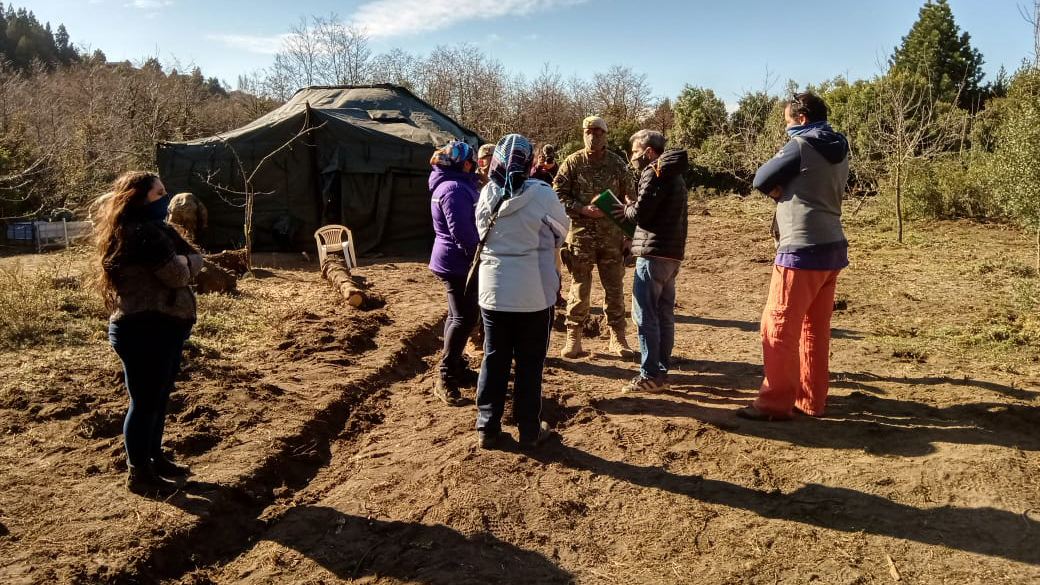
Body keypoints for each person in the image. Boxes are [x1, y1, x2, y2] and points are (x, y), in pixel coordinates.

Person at [738, 92, 850, 421]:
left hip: (800, 250)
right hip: (832, 247)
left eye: (788, 121)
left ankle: (773, 403)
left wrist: (779, 190)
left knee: (777, 327)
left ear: (801, 119)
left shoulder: (801, 145)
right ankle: (811, 401)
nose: (787, 127)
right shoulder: (840, 145)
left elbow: (760, 178)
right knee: (814, 330)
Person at [94, 170, 203, 495]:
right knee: (144, 403)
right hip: (143, 329)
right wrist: (185, 262)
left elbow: (196, 259)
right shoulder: (139, 235)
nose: (166, 199)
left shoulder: (158, 230)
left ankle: (154, 456)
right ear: (139, 198)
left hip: (163, 327)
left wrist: (186, 261)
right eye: (159, 194)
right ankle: (138, 473)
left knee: (158, 397)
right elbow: (177, 275)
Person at [474, 133, 570, 450]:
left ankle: (487, 427)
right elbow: (561, 233)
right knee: (529, 364)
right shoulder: (542, 194)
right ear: (528, 163)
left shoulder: (487, 193)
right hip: (533, 294)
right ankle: (529, 429)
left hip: (492, 293)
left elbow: (480, 233)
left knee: (494, 359)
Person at [554, 116, 636, 359]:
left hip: (612, 238)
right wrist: (581, 208)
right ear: (583, 134)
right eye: (589, 132)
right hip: (581, 238)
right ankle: (574, 337)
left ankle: (618, 338)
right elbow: (557, 195)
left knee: (615, 288)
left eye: (598, 132)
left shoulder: (617, 164)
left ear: (605, 135)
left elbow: (632, 199)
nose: (593, 136)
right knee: (579, 287)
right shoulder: (572, 162)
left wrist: (629, 235)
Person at [613, 130, 689, 393]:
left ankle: (650, 374)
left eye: (634, 152)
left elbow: (642, 215)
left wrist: (626, 208)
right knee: (664, 314)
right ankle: (661, 370)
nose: (632, 158)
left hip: (652, 254)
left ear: (648, 151)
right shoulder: (676, 175)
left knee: (645, 316)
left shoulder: (653, 172)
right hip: (671, 254)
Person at [428, 141, 481, 406]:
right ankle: (445, 377)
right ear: (464, 164)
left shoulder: (450, 184)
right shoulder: (455, 189)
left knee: (455, 314)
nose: (475, 167)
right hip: (457, 262)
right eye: (472, 162)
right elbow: (462, 231)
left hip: (451, 259)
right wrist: (476, 258)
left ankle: (457, 369)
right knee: (465, 317)